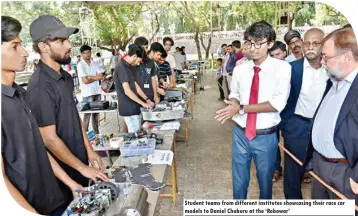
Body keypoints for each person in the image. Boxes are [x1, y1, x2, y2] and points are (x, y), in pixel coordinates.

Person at [1, 16, 84, 216]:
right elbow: (2, 182)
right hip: (29, 207)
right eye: (15, 47)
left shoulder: (19, 94)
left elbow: (39, 148)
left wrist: (71, 183)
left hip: (53, 198)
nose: (24, 52)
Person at [27, 15, 108, 208]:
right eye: (61, 40)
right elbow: (48, 138)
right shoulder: (40, 86)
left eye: (68, 39)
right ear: (43, 47)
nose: (69, 45)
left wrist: (90, 151)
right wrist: (82, 168)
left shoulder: (65, 77)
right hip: (63, 176)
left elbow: (74, 116)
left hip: (80, 164)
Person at [215, 21, 291, 199]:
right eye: (249, 43)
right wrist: (233, 102)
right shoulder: (241, 69)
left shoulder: (282, 68)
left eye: (259, 43)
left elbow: (276, 104)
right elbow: (235, 93)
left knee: (265, 182)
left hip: (265, 136)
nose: (253, 48)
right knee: (239, 181)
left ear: (270, 43)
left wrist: (240, 108)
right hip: (241, 134)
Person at [304, 27, 358, 208]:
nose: (322, 62)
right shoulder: (333, 81)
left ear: (347, 56)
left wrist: (356, 177)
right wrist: (313, 161)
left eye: (326, 57)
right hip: (321, 167)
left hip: (345, 174)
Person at [280, 28, 327, 199]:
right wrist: (286, 125)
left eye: (316, 43)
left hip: (324, 128)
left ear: (324, 45)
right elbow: (282, 99)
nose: (310, 47)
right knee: (293, 176)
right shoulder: (291, 69)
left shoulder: (332, 70)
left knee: (323, 175)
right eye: (306, 43)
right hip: (297, 127)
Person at [113, 45, 154, 133]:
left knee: (138, 131)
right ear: (134, 56)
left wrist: (147, 100)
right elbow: (127, 91)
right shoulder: (122, 67)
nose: (138, 63)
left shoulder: (129, 66)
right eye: (138, 61)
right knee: (134, 135)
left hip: (134, 107)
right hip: (128, 108)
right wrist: (143, 103)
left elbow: (135, 85)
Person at [269, 40, 287, 182]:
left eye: (278, 54)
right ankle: (276, 168)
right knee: (274, 142)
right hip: (272, 112)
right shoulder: (267, 71)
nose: (276, 58)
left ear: (284, 53)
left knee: (291, 144)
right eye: (272, 55)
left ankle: (299, 170)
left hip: (289, 114)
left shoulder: (291, 68)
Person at [77, 45, 105, 134]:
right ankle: (85, 134)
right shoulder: (80, 65)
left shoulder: (95, 63)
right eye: (85, 53)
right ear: (82, 54)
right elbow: (85, 81)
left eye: (88, 52)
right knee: (87, 114)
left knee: (96, 113)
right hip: (87, 93)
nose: (87, 54)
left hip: (97, 91)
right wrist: (95, 77)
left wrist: (90, 77)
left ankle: (96, 133)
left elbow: (101, 76)